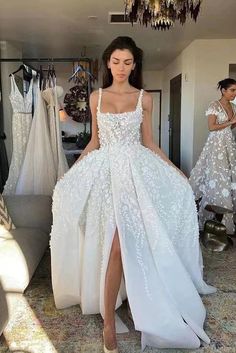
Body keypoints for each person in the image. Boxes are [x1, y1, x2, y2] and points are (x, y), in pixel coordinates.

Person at [50, 36, 216, 352]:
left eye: (127, 62)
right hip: (105, 175)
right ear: (108, 63)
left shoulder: (144, 99)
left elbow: (149, 142)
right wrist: (72, 173)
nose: (122, 68)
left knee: (123, 246)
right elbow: (94, 142)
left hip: (136, 175)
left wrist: (173, 169)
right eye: (116, 62)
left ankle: (126, 309)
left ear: (134, 65)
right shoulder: (96, 97)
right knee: (113, 246)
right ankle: (109, 324)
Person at [190, 78, 236, 234]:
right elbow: (212, 127)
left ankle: (227, 213)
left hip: (229, 143)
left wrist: (233, 122)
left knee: (229, 173)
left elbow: (232, 124)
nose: (234, 93)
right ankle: (210, 214)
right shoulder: (214, 106)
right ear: (223, 90)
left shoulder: (233, 106)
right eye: (232, 90)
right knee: (217, 173)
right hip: (216, 145)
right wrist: (231, 122)